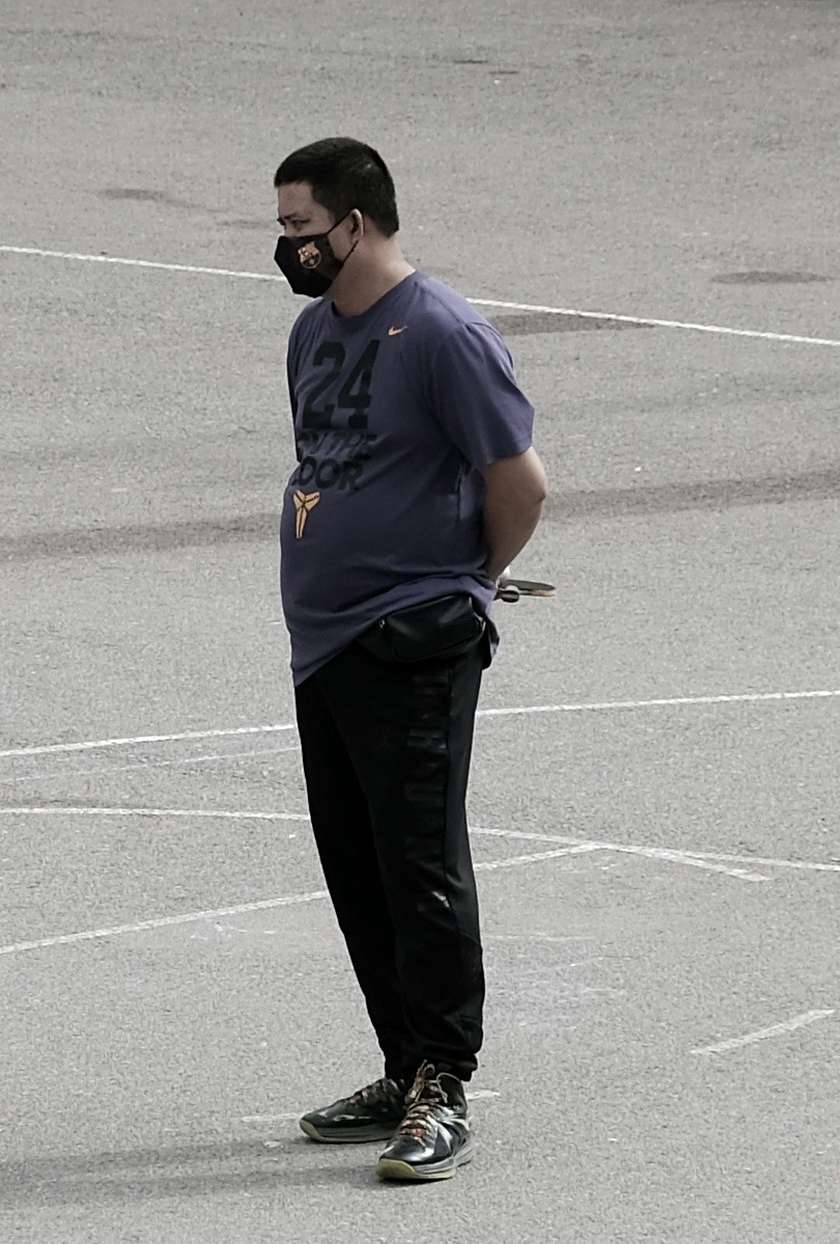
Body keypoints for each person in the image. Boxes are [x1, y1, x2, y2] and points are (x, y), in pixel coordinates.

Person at [271, 137, 548, 1183]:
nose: (288, 247)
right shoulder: (311, 332)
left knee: (418, 865)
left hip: (409, 639)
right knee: (355, 863)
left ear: (356, 222)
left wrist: (463, 580)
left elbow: (518, 481)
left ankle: (443, 1080)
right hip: (324, 641)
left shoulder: (441, 331)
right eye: (282, 229)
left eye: (302, 228)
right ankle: (399, 1064)